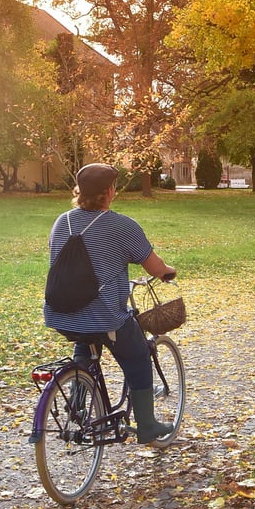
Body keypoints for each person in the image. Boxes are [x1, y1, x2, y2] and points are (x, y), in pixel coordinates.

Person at [43, 163, 176, 444]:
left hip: (61, 315)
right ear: (109, 192)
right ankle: (147, 426)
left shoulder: (61, 222)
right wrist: (167, 271)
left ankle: (78, 403)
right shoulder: (122, 226)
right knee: (138, 356)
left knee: (85, 339)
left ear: (79, 191)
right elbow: (154, 267)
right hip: (104, 317)